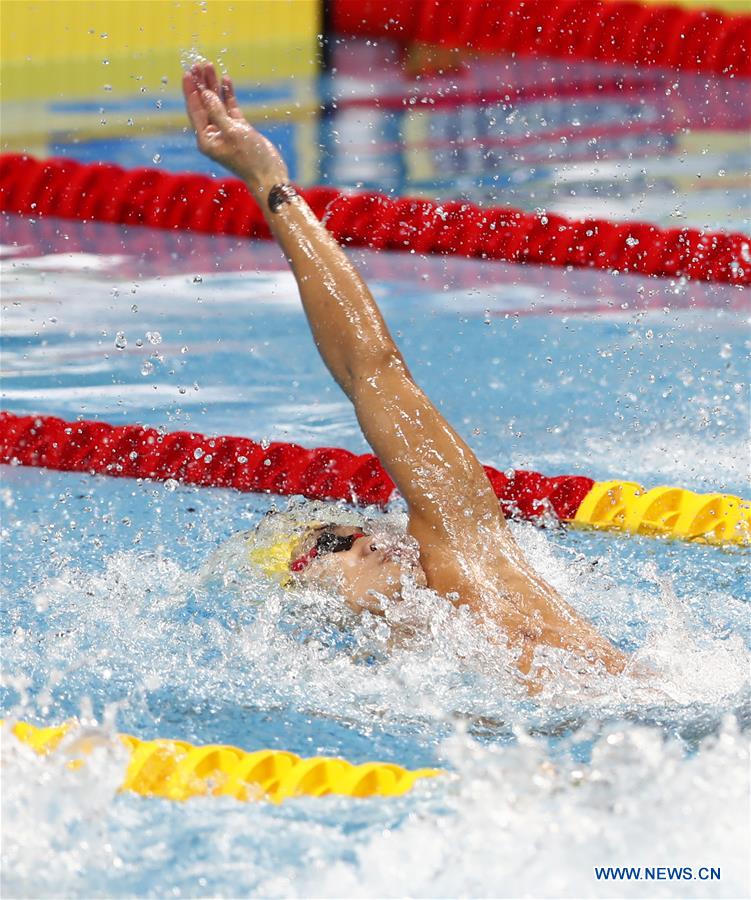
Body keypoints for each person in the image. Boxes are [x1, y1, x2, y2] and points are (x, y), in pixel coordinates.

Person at [182, 61, 627, 685]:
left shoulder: (467, 561)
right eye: (334, 545)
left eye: (356, 526)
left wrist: (270, 184)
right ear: (313, 603)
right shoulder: (407, 691)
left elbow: (373, 370)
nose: (368, 538)